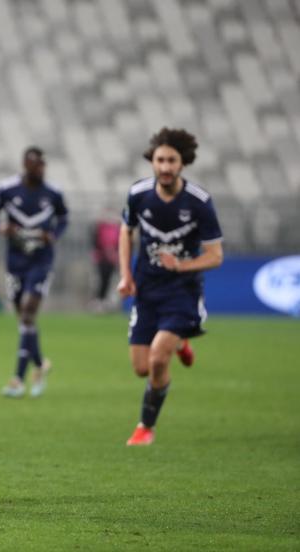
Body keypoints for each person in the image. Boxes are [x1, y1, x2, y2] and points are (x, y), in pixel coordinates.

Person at [118, 128, 223, 446]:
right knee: (140, 368)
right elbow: (126, 232)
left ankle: (145, 428)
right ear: (153, 161)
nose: (165, 166)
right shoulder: (138, 194)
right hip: (148, 290)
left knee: (158, 359)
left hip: (182, 292)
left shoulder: (199, 203)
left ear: (183, 163)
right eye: (160, 160)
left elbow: (215, 256)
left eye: (171, 161)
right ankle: (180, 344)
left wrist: (182, 265)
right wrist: (126, 275)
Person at [0, 147, 68, 398]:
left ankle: (18, 378)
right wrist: (0, 227)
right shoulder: (7, 189)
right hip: (16, 262)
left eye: (42, 165)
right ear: (25, 165)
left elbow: (63, 219)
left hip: (41, 262)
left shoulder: (53, 193)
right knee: (24, 320)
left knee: (28, 314)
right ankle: (40, 365)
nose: (39, 169)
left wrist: (53, 235)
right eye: (35, 165)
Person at [90, 213, 121, 312]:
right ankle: (99, 301)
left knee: (109, 280)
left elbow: (119, 243)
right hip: (102, 258)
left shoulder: (117, 229)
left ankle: (106, 301)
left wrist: (114, 253)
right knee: (101, 279)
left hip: (112, 259)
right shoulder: (100, 228)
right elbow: (96, 242)